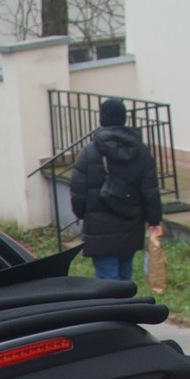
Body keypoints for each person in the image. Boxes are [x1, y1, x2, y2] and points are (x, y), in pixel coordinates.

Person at [69, 97, 164, 283]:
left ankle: (113, 311)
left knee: (107, 279)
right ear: (124, 118)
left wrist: (82, 213)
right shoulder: (141, 152)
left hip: (99, 226)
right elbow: (150, 190)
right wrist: (154, 220)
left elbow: (77, 190)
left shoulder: (89, 153)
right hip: (131, 223)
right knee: (125, 273)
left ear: (102, 119)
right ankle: (125, 309)